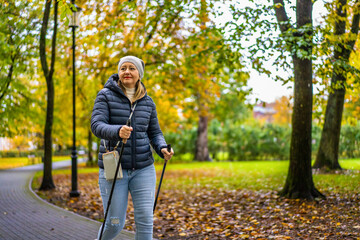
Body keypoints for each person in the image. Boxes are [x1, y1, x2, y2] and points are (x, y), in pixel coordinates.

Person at [91, 55, 174, 240]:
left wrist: (162, 148)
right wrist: (117, 131)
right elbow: (96, 125)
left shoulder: (148, 102)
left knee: (145, 220)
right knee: (114, 223)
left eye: (132, 68)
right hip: (114, 168)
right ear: (119, 73)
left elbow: (155, 133)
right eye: (123, 68)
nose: (127, 71)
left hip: (143, 168)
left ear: (139, 74)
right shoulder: (105, 95)